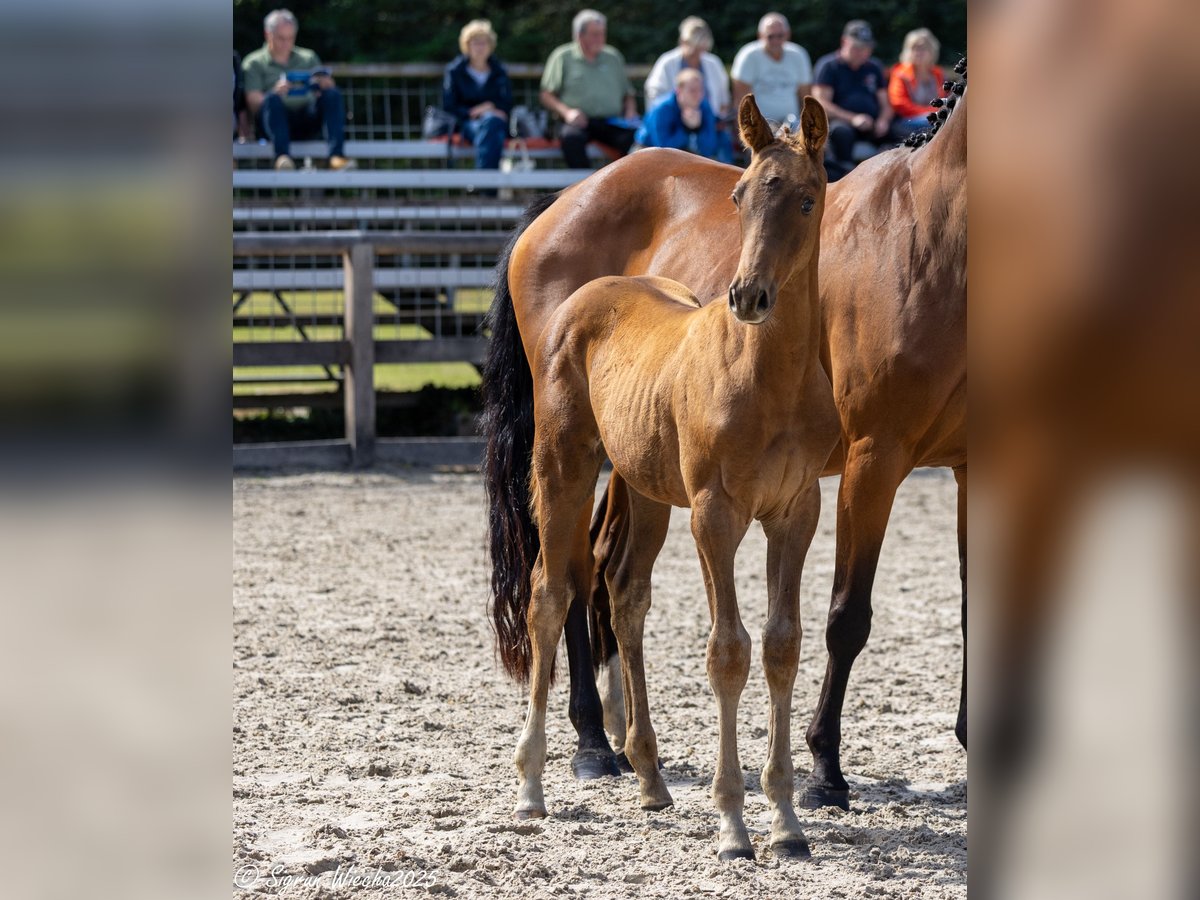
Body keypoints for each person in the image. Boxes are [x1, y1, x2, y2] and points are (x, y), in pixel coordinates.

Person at [242, 9, 351, 171]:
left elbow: (324, 93)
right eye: (281, 38)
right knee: (271, 99)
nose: (286, 43)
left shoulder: (308, 57)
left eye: (290, 38)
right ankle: (282, 158)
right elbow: (252, 101)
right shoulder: (254, 62)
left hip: (307, 119)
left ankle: (336, 156)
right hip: (274, 125)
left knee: (333, 95)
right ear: (267, 34)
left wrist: (326, 84)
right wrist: (275, 91)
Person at [539, 9, 639, 169]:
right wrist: (567, 112)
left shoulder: (613, 57)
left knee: (638, 139)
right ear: (579, 35)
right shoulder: (562, 56)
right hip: (578, 123)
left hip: (611, 122)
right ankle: (585, 188)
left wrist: (630, 112)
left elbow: (628, 94)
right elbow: (546, 95)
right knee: (571, 139)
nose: (600, 39)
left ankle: (627, 188)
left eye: (602, 33)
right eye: (594, 34)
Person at [812, 20, 894, 175]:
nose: (862, 52)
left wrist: (883, 121)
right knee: (841, 132)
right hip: (843, 124)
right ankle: (846, 175)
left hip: (873, 124)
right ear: (844, 41)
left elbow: (886, 104)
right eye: (857, 47)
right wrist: (853, 119)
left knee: (900, 132)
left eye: (866, 48)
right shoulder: (828, 66)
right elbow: (821, 104)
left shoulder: (874, 67)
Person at [441, 19, 513, 170]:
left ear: (490, 46)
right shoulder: (455, 71)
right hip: (466, 124)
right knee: (493, 131)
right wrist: (472, 112)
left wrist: (491, 107)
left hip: (496, 122)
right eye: (475, 42)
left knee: (492, 124)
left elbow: (507, 103)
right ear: (467, 45)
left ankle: (483, 184)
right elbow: (449, 105)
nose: (480, 47)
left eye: (484, 42)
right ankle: (488, 185)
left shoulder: (499, 71)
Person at [730, 12, 813, 128]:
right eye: (770, 36)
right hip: (760, 126)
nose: (776, 41)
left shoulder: (799, 55)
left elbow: (806, 99)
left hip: (793, 124)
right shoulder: (748, 56)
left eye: (780, 36)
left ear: (788, 35)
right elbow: (740, 101)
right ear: (760, 36)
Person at [643, 17, 731, 120]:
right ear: (683, 42)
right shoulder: (666, 62)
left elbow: (724, 100)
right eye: (694, 50)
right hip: (672, 125)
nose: (698, 55)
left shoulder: (714, 63)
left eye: (701, 50)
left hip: (708, 127)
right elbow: (654, 96)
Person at [634, 69, 730, 162]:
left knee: (723, 137)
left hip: (684, 154)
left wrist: (697, 128)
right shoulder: (661, 109)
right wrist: (686, 128)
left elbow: (708, 149)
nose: (698, 95)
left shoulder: (704, 106)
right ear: (679, 91)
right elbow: (663, 150)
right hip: (647, 151)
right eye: (692, 90)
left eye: (700, 90)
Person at [888, 28, 948, 140]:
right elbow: (899, 104)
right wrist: (932, 113)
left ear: (932, 51)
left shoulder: (938, 73)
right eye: (914, 48)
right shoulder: (900, 73)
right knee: (936, 123)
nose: (918, 52)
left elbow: (947, 99)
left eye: (923, 48)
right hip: (905, 121)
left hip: (935, 118)